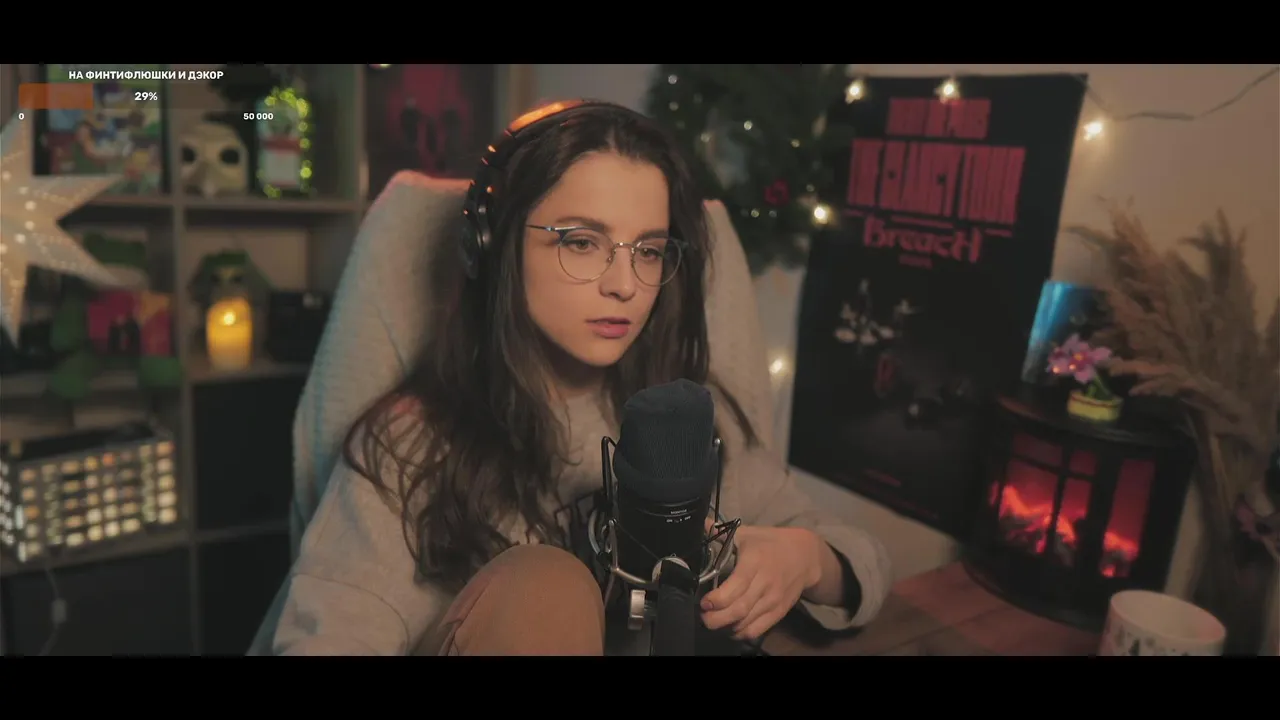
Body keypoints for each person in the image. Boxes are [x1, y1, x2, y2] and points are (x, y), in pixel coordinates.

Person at [258, 100, 892, 656]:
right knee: (546, 585)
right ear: (497, 246)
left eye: (649, 250)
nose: (624, 284)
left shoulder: (681, 423)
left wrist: (806, 559)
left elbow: (861, 557)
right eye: (582, 242)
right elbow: (330, 634)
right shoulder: (409, 445)